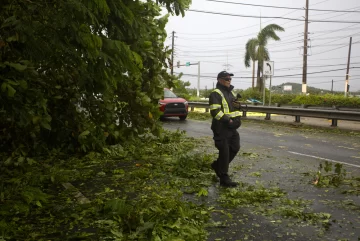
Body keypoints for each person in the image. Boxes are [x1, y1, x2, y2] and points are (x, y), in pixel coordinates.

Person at [209, 71, 242, 187]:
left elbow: (235, 109)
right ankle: (223, 177)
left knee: (235, 147)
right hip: (221, 128)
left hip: (232, 128)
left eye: (230, 79)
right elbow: (215, 112)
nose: (229, 81)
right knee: (224, 152)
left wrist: (237, 120)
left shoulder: (231, 93)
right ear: (219, 80)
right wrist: (228, 120)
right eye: (226, 79)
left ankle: (218, 166)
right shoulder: (216, 93)